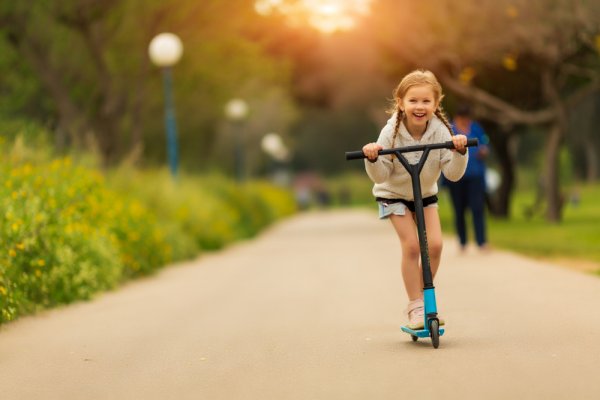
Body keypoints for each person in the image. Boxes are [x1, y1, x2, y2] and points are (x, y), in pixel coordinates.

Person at [361, 69, 468, 330]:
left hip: (426, 195)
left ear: (436, 103)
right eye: (413, 101)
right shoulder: (391, 132)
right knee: (411, 247)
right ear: (401, 103)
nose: (419, 107)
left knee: (436, 246)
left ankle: (423, 301)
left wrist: (459, 151)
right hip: (393, 196)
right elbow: (381, 175)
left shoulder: (441, 131)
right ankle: (415, 305)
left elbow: (453, 175)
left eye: (426, 101)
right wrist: (372, 157)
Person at [444, 104, 490, 252]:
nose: (465, 122)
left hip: (475, 175)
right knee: (459, 209)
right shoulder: (449, 130)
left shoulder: (476, 128)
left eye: (467, 119)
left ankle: (481, 241)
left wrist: (484, 150)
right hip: (456, 177)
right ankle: (462, 241)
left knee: (477, 208)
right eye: (462, 118)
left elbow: (485, 142)